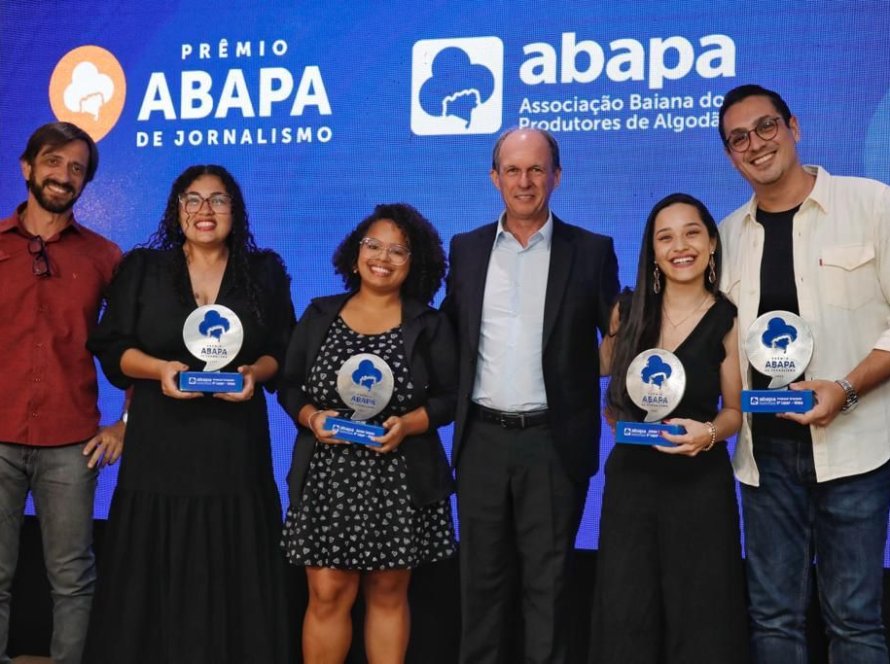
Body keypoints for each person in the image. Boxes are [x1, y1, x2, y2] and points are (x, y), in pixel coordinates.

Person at [83, 164, 294, 664]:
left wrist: (253, 376)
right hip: (160, 445)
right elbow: (114, 348)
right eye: (193, 200)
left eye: (218, 200)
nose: (205, 211)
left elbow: (283, 351)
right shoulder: (142, 268)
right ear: (176, 210)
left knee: (233, 559)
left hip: (233, 447)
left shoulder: (263, 270)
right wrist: (160, 370)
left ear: (235, 211)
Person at [718, 83, 890, 663]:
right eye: (738, 138)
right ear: (729, 154)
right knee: (773, 623)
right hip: (764, 459)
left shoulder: (872, 204)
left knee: (857, 623)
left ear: (794, 127)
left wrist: (844, 388)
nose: (755, 144)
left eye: (765, 127)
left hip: (854, 448)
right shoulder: (723, 237)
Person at [442, 127, 620, 664]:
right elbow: (451, 337)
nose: (525, 181)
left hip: (552, 443)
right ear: (494, 178)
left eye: (537, 169)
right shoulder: (466, 249)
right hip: (482, 443)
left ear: (557, 176)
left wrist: (581, 381)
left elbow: (619, 338)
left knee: (549, 590)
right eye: (513, 170)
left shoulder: (591, 251)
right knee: (480, 588)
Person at [280, 203, 457, 664]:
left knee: (387, 594)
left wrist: (410, 424)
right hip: (328, 477)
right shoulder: (319, 314)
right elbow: (289, 385)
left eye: (399, 250)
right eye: (373, 245)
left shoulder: (429, 324)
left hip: (399, 478)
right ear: (355, 253)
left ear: (415, 262)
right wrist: (310, 418)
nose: (383, 257)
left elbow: (449, 398)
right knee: (327, 594)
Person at [590, 193, 749, 663]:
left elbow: (735, 411)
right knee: (625, 612)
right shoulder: (628, 309)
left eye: (692, 232)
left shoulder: (728, 318)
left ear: (712, 242)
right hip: (632, 485)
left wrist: (710, 434)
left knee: (701, 616)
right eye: (666, 237)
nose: (680, 246)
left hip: (699, 487)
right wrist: (612, 407)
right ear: (653, 250)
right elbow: (601, 376)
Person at [0, 122, 123, 664]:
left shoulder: (105, 258)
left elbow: (133, 345)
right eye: (53, 162)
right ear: (28, 167)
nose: (64, 175)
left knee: (72, 578)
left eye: (77, 168)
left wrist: (125, 423)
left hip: (72, 444)